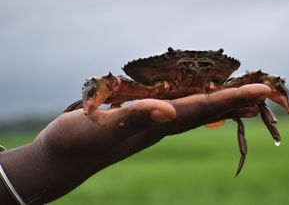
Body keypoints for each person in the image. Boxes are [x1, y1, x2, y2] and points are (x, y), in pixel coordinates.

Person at [0, 84, 270, 205]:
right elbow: (105, 86)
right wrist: (47, 156)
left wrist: (45, 159)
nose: (190, 71)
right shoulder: (123, 87)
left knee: (253, 92)